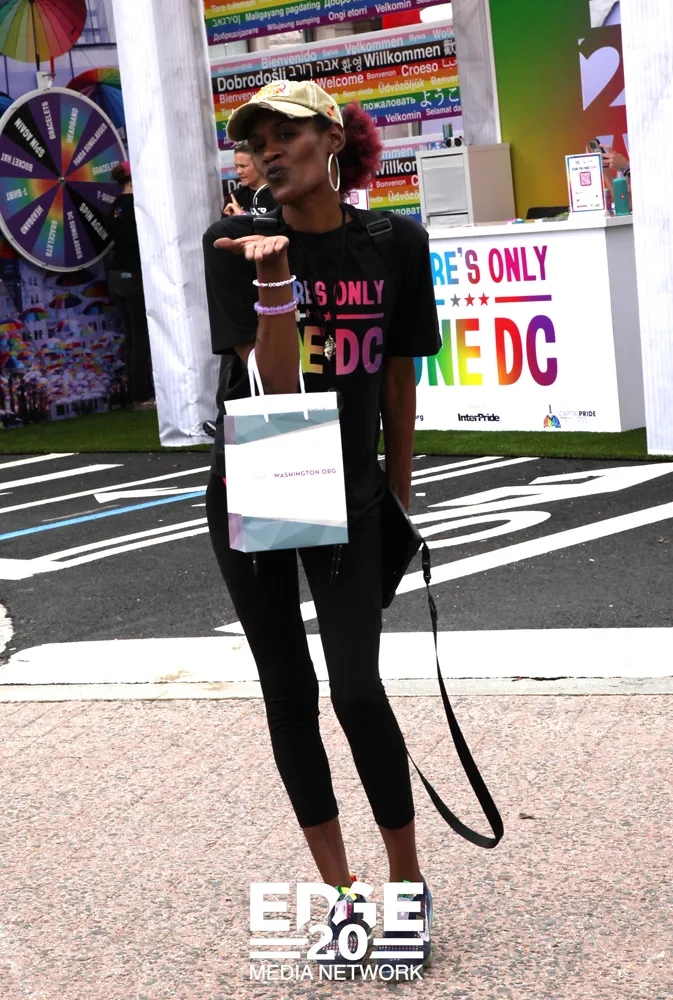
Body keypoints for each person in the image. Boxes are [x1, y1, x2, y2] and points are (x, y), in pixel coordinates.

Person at [202, 80, 441, 968]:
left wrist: (398, 495)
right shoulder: (232, 245)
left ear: (333, 140)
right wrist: (271, 278)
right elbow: (273, 385)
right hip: (257, 480)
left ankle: (406, 885)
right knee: (289, 692)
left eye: (286, 133)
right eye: (253, 139)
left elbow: (397, 378)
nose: (267, 150)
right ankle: (341, 896)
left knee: (356, 691)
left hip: (352, 492)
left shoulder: (393, 242)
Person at [107, 162, 155, 410]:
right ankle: (143, 396)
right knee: (141, 338)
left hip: (116, 277)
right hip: (133, 277)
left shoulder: (114, 207)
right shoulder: (139, 206)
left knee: (132, 336)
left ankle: (137, 394)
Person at [222, 141, 277, 216]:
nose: (238, 171)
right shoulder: (235, 197)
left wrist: (242, 215)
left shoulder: (278, 195)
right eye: (236, 166)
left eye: (243, 166)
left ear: (259, 164)